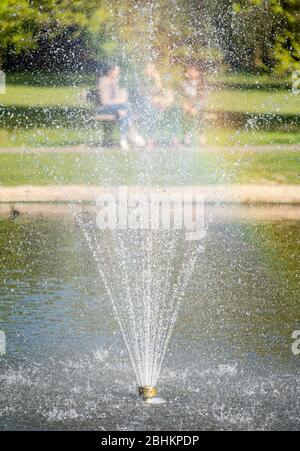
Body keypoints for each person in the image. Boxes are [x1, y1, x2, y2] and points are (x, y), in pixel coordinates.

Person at [97, 65, 145, 150]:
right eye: (116, 71)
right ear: (110, 71)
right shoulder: (103, 81)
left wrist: (121, 100)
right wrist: (119, 103)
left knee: (124, 113)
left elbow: (117, 97)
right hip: (104, 108)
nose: (118, 73)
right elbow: (104, 101)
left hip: (116, 108)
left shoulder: (115, 81)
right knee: (125, 108)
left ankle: (124, 139)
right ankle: (132, 135)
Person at [135, 63, 176, 148]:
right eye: (150, 69)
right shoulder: (142, 81)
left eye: (154, 69)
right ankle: (151, 140)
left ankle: (174, 139)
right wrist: (155, 100)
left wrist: (164, 102)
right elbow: (142, 96)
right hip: (147, 107)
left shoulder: (161, 82)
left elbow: (168, 95)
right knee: (151, 112)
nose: (152, 71)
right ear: (145, 70)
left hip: (161, 106)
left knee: (174, 110)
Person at [181, 64, 207, 146]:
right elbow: (182, 96)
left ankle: (201, 139)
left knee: (200, 120)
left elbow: (202, 98)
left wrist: (195, 107)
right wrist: (185, 105)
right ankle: (187, 139)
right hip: (187, 106)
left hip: (198, 105)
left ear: (197, 73)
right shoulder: (184, 83)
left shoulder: (201, 83)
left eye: (192, 71)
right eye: (189, 70)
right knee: (187, 119)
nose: (190, 72)